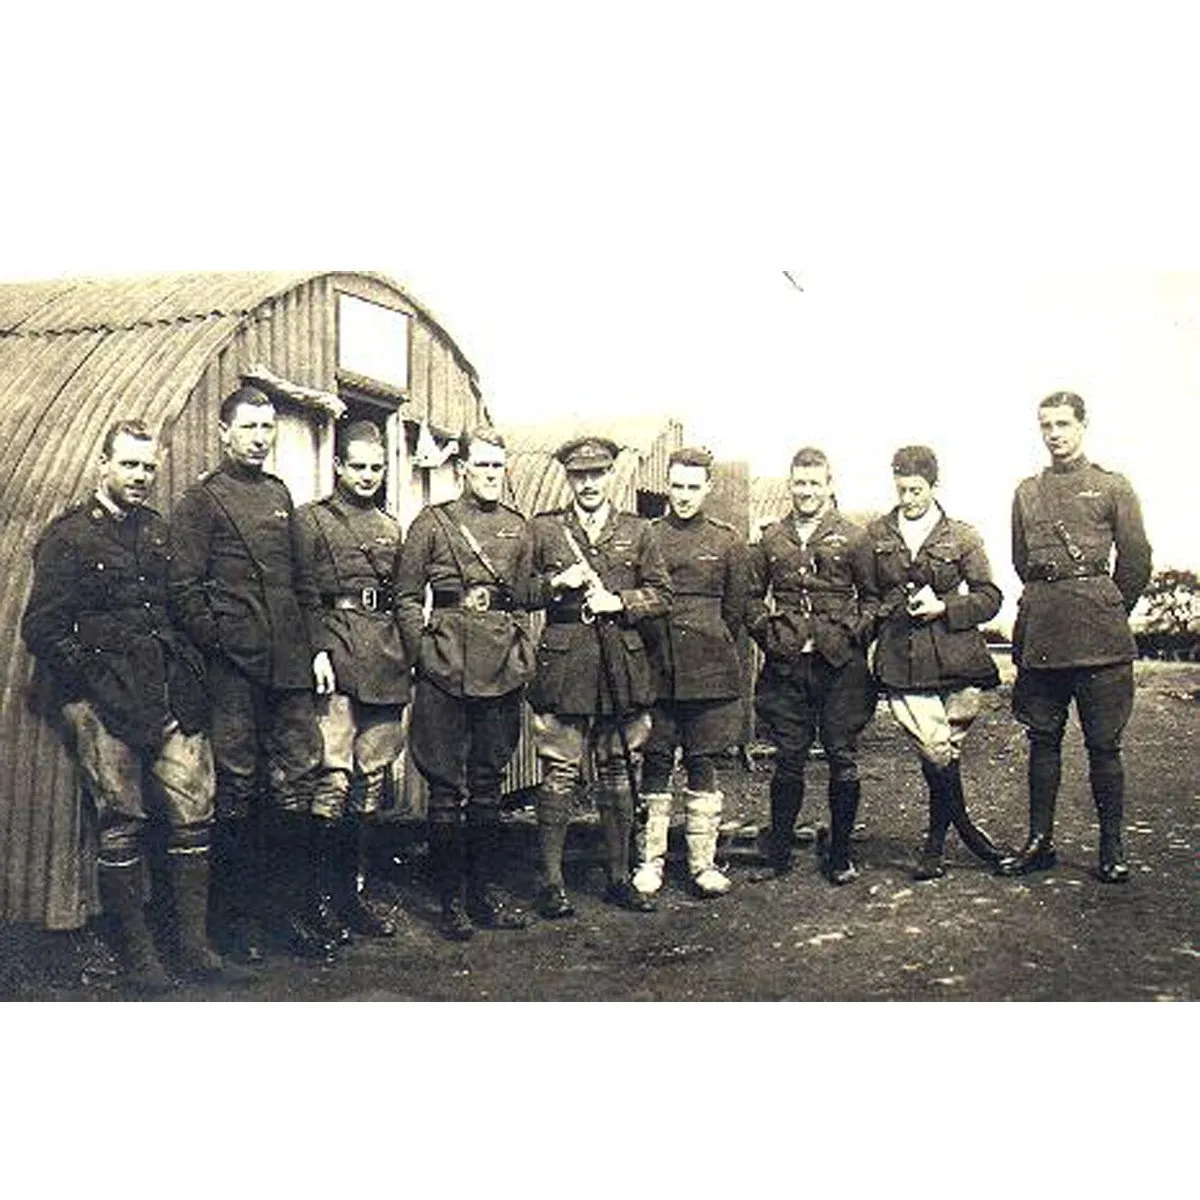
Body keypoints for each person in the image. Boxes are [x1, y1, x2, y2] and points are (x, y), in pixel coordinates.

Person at [21, 420, 243, 991]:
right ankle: (139, 956)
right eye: (130, 465)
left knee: (195, 815)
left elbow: (175, 610)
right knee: (123, 823)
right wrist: (93, 680)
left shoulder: (159, 532)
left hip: (168, 695)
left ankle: (193, 947)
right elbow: (42, 627)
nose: (141, 476)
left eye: (149, 467)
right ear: (104, 464)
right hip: (103, 703)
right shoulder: (68, 536)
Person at [168, 384, 334, 960]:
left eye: (268, 428)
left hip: (288, 666)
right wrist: (225, 645)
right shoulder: (201, 501)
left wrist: (315, 650)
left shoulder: (280, 494)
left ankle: (285, 917)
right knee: (236, 789)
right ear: (224, 432)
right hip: (234, 671)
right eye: (249, 428)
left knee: (294, 785)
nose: (260, 439)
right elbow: (184, 593)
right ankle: (236, 926)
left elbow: (304, 582)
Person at [999, 392, 1152, 883]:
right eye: (1046, 425)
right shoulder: (1026, 492)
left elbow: (1135, 560)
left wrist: (1106, 610)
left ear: (1084, 425)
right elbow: (1023, 562)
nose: (1055, 434)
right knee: (1042, 738)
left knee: (1104, 744)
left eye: (1063, 424)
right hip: (1044, 632)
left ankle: (1112, 844)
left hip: (1099, 638)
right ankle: (1040, 841)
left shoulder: (1112, 487)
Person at [396, 426, 535, 940]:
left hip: (500, 665)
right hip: (445, 664)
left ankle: (482, 895)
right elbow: (407, 597)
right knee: (444, 786)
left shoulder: (519, 529)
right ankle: (448, 901)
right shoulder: (432, 524)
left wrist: (520, 647)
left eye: (498, 466)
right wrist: (424, 652)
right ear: (462, 470)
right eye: (482, 466)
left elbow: (521, 596)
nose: (491, 475)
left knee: (487, 784)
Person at [525, 436, 672, 917]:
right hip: (566, 665)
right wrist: (554, 584)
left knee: (616, 769)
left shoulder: (638, 531)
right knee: (561, 770)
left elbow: (662, 596)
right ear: (568, 479)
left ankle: (617, 877)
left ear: (612, 477)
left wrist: (621, 602)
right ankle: (550, 883)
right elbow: (519, 591)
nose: (588, 484)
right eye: (579, 476)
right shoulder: (546, 530)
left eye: (597, 474)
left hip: (619, 664)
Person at [866, 446, 1008, 880]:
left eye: (917, 490)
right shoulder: (874, 534)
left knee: (946, 755)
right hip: (902, 660)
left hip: (957, 659)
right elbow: (868, 596)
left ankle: (933, 849)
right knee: (935, 749)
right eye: (901, 488)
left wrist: (944, 605)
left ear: (934, 485)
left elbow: (990, 598)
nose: (908, 498)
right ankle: (967, 832)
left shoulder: (961, 536)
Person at [294, 420, 407, 942]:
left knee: (370, 781)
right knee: (332, 779)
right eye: (357, 466)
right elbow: (304, 593)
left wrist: (413, 655)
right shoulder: (312, 521)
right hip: (336, 652)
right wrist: (316, 649)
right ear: (338, 466)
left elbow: (403, 599)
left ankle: (351, 897)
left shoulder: (391, 528)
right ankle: (314, 900)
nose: (367, 476)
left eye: (376, 468)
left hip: (385, 656)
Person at [746, 446, 877, 884]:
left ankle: (840, 855)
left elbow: (874, 599)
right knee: (789, 757)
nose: (806, 492)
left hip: (839, 665)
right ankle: (779, 854)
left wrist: (853, 633)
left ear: (829, 485)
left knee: (842, 756)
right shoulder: (772, 538)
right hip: (787, 665)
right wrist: (769, 633)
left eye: (814, 483)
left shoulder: (855, 537)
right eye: (799, 483)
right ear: (790, 484)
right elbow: (747, 599)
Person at [632, 446, 747, 898]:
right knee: (656, 761)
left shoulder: (727, 541)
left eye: (692, 488)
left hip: (707, 669)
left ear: (708, 488)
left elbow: (735, 610)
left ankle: (702, 864)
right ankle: (649, 862)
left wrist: (707, 638)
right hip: (658, 667)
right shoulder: (649, 535)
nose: (683, 496)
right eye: (676, 486)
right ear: (667, 485)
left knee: (703, 763)